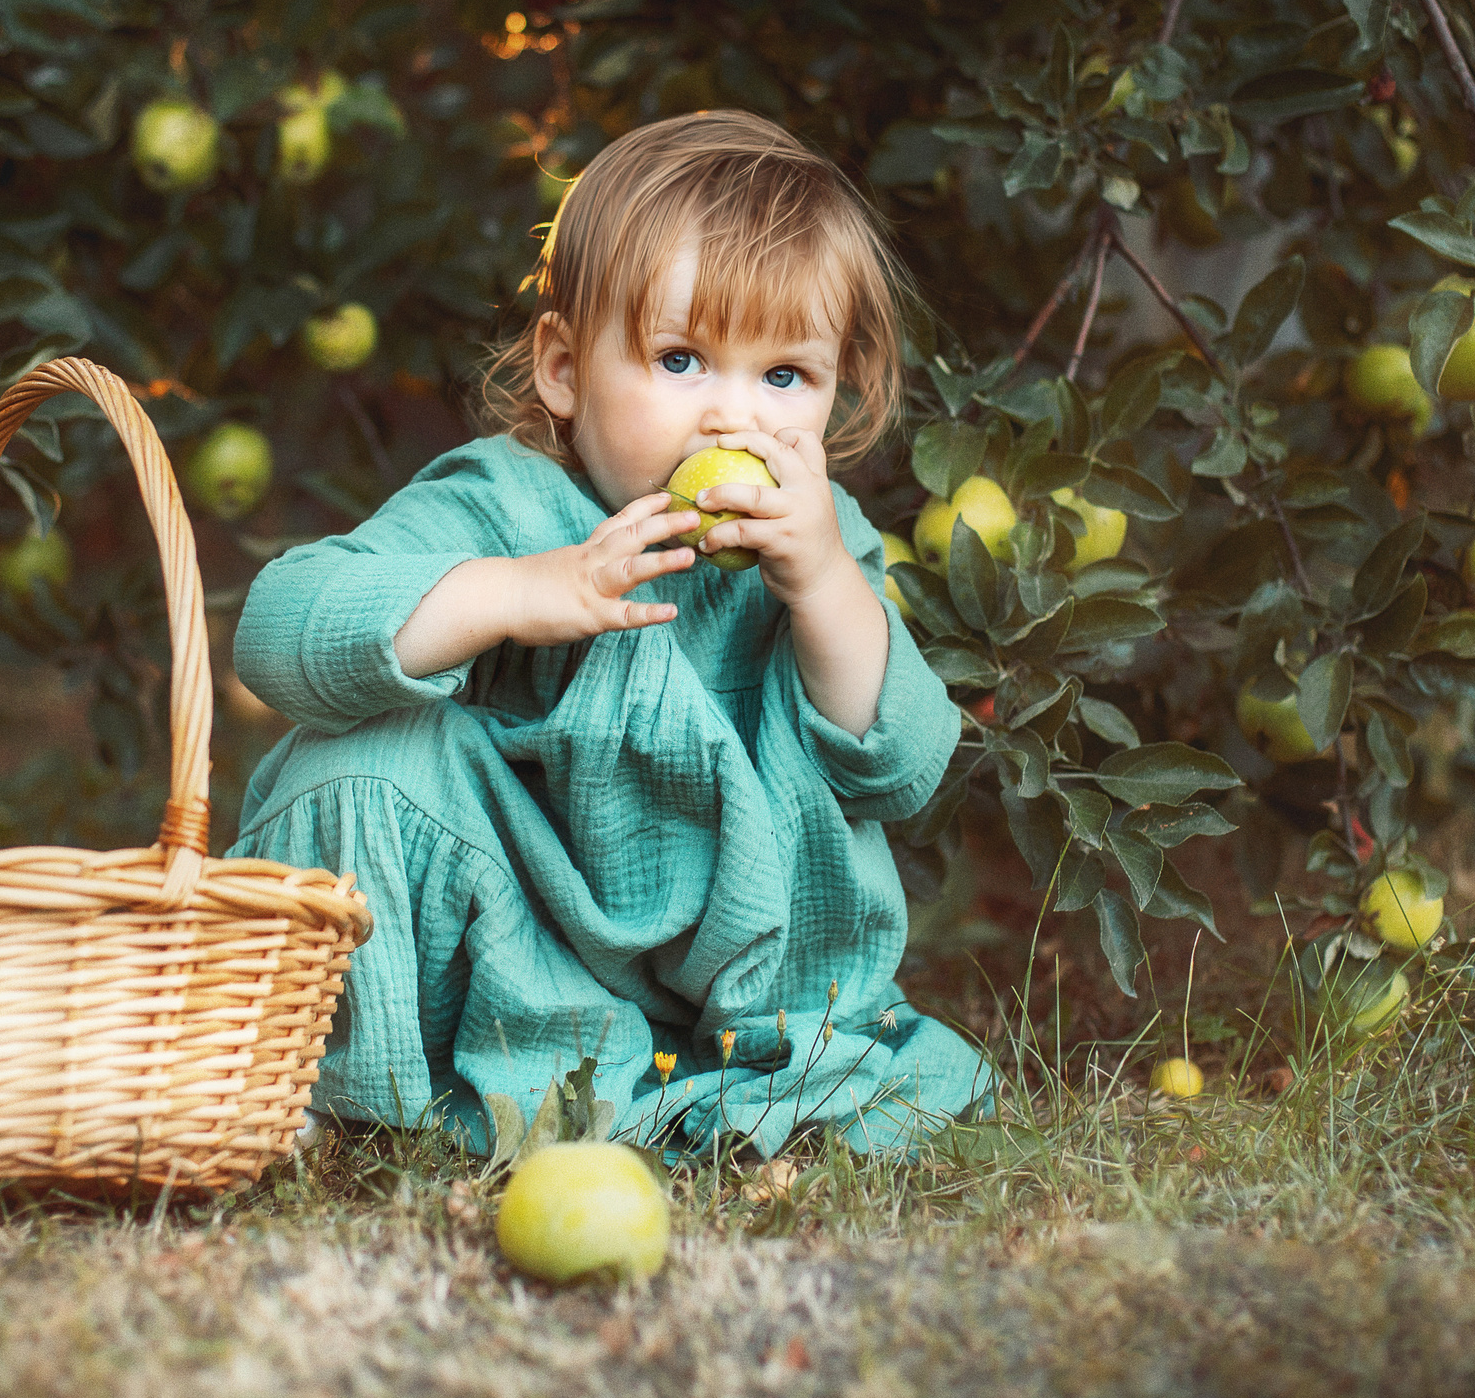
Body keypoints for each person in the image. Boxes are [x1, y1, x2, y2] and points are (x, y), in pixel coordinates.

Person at [230, 111, 990, 1157]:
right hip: (529, 965)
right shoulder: (504, 506)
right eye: (682, 360)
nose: (735, 420)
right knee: (355, 756)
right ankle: (349, 1086)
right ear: (562, 370)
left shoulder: (817, 549)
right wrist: (514, 592)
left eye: (785, 377)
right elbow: (280, 631)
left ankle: (702, 1087)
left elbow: (900, 766)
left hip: (756, 998)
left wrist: (820, 584)